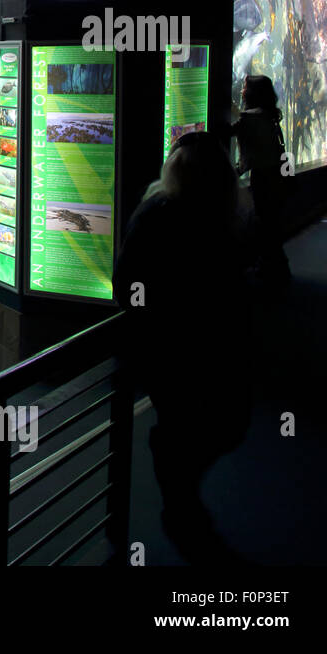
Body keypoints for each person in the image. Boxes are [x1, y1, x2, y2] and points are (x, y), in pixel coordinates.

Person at [114, 131, 252, 565]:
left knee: (175, 436)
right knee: (201, 431)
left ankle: (186, 521)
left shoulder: (157, 211)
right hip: (215, 355)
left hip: (169, 353)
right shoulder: (227, 217)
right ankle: (188, 519)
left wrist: (145, 318)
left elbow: (127, 281)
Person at [230, 75, 291, 284]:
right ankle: (277, 268)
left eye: (245, 88)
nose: (241, 91)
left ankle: (270, 272)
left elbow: (240, 142)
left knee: (264, 223)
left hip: (263, 179)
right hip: (277, 177)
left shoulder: (248, 119)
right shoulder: (270, 116)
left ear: (251, 94)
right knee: (271, 224)